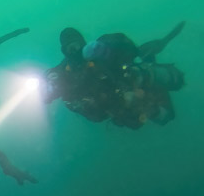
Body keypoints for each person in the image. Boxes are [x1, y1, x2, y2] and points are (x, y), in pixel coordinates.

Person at [43, 22, 185, 128]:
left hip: (131, 86)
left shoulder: (98, 52)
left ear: (83, 43)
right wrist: (48, 83)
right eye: (70, 48)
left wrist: (105, 49)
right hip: (115, 107)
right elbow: (46, 92)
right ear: (64, 51)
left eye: (77, 45)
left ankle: (149, 65)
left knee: (161, 114)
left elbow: (123, 43)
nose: (75, 51)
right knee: (134, 118)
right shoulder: (65, 72)